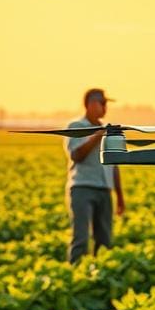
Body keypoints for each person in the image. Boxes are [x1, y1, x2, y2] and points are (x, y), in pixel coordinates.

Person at [65, 88, 125, 263]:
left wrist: (119, 196)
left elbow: (114, 164)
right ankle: (75, 275)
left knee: (105, 239)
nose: (105, 108)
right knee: (81, 238)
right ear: (91, 104)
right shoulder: (76, 126)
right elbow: (77, 155)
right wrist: (97, 136)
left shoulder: (108, 130)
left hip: (104, 190)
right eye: (103, 103)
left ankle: (100, 274)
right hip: (82, 187)